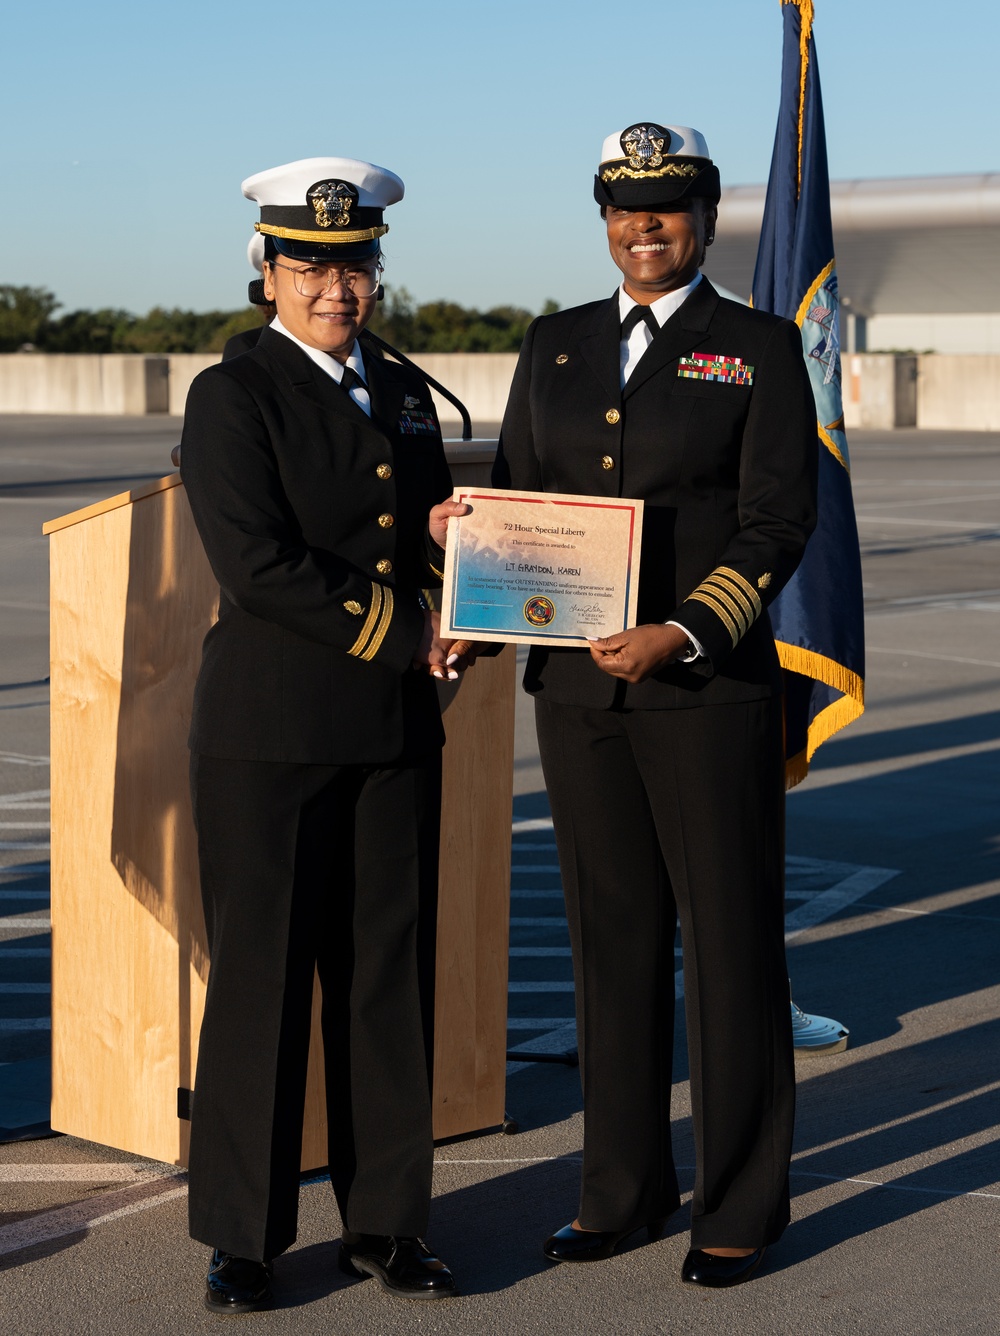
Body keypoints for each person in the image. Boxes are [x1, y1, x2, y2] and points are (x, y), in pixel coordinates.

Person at [492, 122, 818, 1288]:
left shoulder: (760, 349)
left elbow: (779, 520)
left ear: (705, 213)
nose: (645, 226)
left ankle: (740, 1203)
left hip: (707, 691)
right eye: (625, 207)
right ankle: (619, 1190)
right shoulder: (556, 344)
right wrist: (471, 584)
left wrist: (682, 629)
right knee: (609, 948)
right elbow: (524, 501)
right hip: (577, 695)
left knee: (728, 949)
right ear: (603, 217)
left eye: (668, 206)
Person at [180, 156, 468, 1313]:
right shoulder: (232, 393)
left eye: (352, 266)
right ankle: (242, 1238)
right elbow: (256, 565)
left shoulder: (400, 390)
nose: (333, 288)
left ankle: (389, 1224)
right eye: (308, 265)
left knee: (384, 980)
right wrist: (407, 630)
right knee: (261, 983)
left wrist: (474, 574)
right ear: (266, 272)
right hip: (270, 733)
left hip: (392, 728)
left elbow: (424, 533)